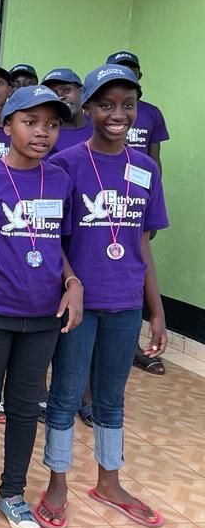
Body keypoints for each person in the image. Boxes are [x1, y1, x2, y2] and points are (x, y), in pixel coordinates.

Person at [38, 64, 169, 528]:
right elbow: (51, 238)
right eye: (107, 104)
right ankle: (57, 483)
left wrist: (156, 309)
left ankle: (109, 482)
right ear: (88, 108)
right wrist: (71, 285)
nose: (118, 114)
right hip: (79, 304)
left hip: (126, 301)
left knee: (111, 399)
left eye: (127, 105)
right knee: (66, 393)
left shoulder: (146, 168)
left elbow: (142, 242)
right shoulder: (64, 165)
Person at [0, 85, 83, 528]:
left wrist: (73, 282)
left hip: (44, 314)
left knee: (27, 407)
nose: (42, 132)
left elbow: (57, 244)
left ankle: (13, 493)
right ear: (7, 126)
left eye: (51, 124)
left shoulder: (62, 179)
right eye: (30, 122)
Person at [104, 50, 170, 376]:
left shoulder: (151, 114)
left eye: (132, 70)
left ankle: (131, 348)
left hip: (134, 205)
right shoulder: (101, 115)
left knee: (134, 271)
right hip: (103, 203)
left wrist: (151, 208)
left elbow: (155, 161)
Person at [43, 68, 91, 154]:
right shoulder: (45, 136)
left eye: (66, 90)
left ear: (82, 91)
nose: (60, 97)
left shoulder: (99, 124)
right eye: (53, 94)